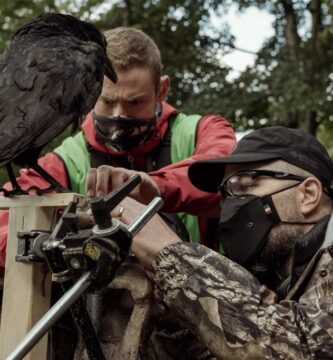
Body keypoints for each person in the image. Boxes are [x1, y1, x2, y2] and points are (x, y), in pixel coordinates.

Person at [0, 27, 236, 267]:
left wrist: (154, 187)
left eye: (134, 102)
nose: (119, 115)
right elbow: (4, 221)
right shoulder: (66, 160)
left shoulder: (201, 131)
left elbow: (235, 181)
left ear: (161, 90)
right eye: (107, 100)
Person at [97, 126, 333, 358]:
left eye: (245, 184)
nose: (230, 206)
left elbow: (305, 345)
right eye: (225, 194)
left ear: (308, 195)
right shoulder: (281, 280)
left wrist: (172, 256)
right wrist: (176, 314)